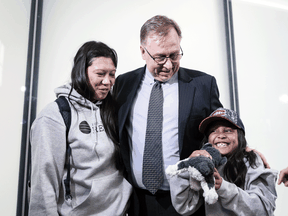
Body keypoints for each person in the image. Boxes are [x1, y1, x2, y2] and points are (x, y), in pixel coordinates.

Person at [113, 15, 222, 215]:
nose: (169, 65)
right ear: (142, 52)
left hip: (187, 199)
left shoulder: (203, 85)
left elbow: (221, 133)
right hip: (136, 201)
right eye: (160, 57)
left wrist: (241, 148)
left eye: (174, 55)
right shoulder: (123, 84)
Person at [29, 41, 132, 216]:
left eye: (112, 74)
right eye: (100, 74)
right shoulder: (54, 116)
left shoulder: (113, 109)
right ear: (81, 73)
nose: (107, 82)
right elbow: (43, 181)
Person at [168, 107, 278, 216]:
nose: (220, 135)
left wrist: (223, 187)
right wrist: (187, 169)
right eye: (213, 131)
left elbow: (264, 209)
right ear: (208, 139)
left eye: (228, 130)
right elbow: (184, 207)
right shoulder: (206, 163)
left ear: (239, 136)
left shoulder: (251, 161)